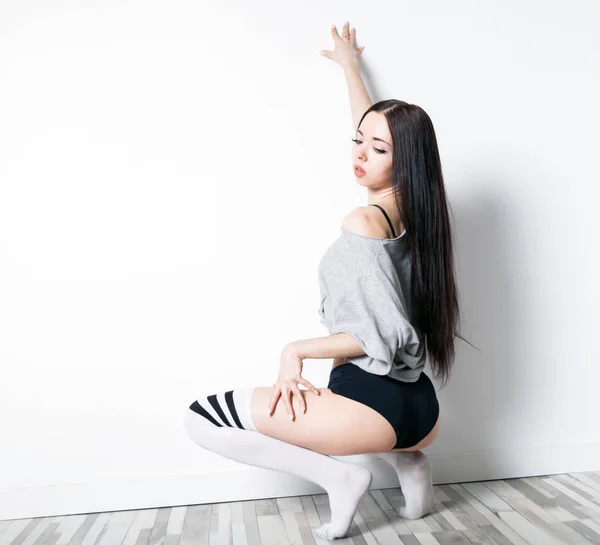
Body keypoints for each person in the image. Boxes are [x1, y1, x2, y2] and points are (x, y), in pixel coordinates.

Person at [184, 21, 468, 541]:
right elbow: (378, 133)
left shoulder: (363, 224)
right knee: (352, 417)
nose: (360, 153)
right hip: (420, 410)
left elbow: (373, 336)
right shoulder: (413, 214)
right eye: (357, 141)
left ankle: (341, 477)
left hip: (370, 406)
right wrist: (349, 67)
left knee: (202, 418)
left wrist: (295, 350)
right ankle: (412, 464)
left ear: (404, 159)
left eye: (377, 149)